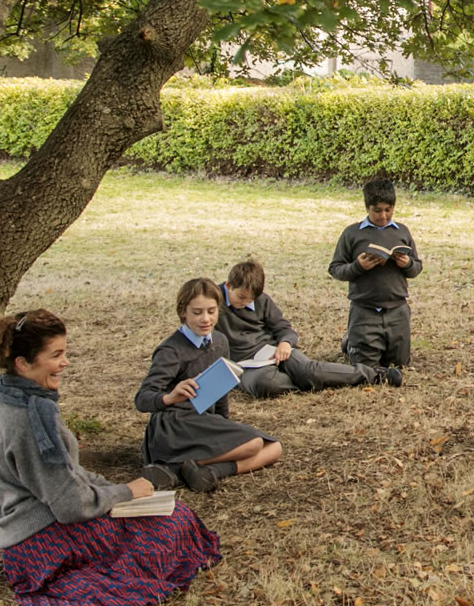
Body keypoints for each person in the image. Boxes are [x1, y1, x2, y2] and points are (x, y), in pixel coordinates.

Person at [0, 309, 219, 606]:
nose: (65, 362)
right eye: (56, 355)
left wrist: (113, 491)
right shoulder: (33, 417)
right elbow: (69, 505)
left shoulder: (9, 396)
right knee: (174, 522)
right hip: (45, 544)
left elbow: (68, 473)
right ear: (24, 363)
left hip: (30, 537)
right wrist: (126, 492)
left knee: (168, 516)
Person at [136, 278, 283, 493]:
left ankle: (207, 471)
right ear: (183, 312)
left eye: (211, 311)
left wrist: (225, 427)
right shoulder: (171, 350)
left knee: (275, 447)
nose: (205, 319)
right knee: (253, 444)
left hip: (203, 422)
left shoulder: (220, 341)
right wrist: (170, 397)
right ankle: (173, 465)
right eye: (197, 312)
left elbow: (221, 391)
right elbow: (142, 399)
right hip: (173, 427)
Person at [216, 259, 400, 397]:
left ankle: (373, 375)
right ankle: (316, 380)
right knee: (266, 385)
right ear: (228, 286)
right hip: (243, 365)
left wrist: (285, 344)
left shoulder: (262, 300)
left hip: (271, 352)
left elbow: (284, 329)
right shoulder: (213, 303)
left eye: (250, 300)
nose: (245, 302)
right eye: (241, 297)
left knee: (309, 370)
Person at [328, 178, 422, 368]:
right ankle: (351, 342)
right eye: (377, 210)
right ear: (367, 207)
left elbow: (417, 268)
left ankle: (370, 342)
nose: (383, 216)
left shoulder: (402, 232)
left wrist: (407, 263)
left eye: (388, 210)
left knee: (399, 364)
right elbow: (335, 269)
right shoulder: (352, 234)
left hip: (397, 309)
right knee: (366, 367)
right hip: (365, 309)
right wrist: (358, 266)